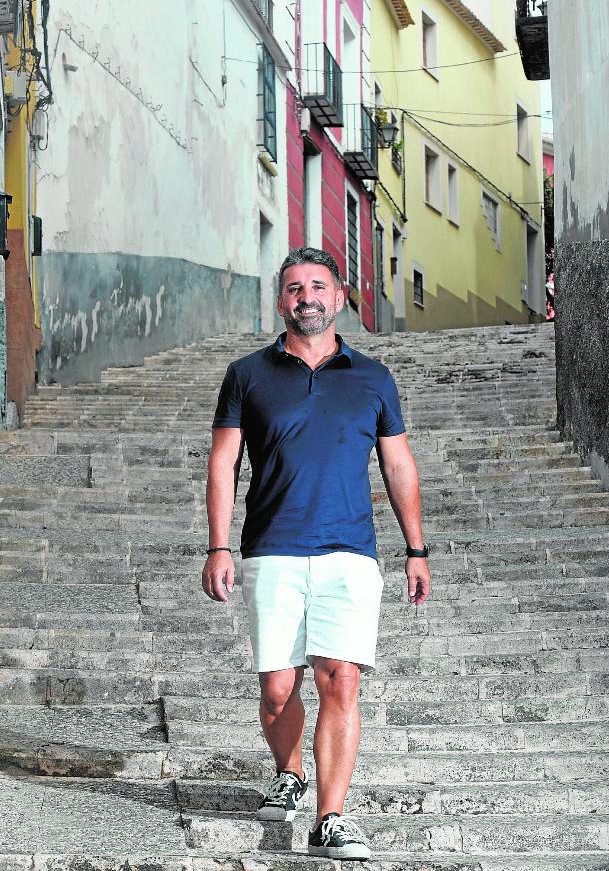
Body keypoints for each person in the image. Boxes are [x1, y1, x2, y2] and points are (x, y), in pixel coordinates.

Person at [202, 247, 430, 861]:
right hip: (271, 548)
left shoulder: (374, 378)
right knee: (278, 688)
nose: (308, 297)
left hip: (350, 552)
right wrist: (218, 544)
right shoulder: (248, 374)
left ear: (339, 296)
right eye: (296, 287)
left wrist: (416, 548)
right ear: (281, 300)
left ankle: (331, 817)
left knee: (340, 680)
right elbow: (224, 461)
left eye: (319, 286)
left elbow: (398, 463)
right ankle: (290, 772)